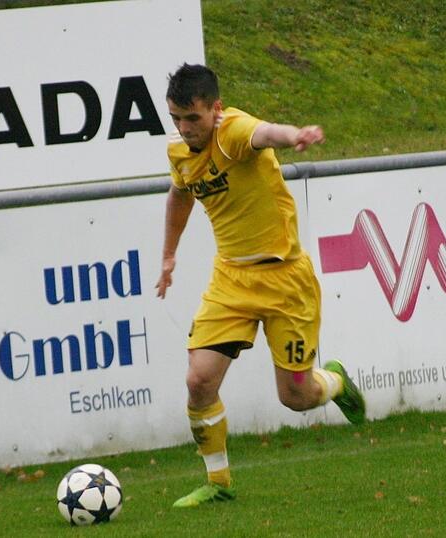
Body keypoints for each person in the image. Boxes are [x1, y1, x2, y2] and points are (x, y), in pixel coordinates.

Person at [156, 63, 366, 508]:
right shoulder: (179, 150)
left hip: (285, 279)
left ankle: (336, 382)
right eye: (176, 118)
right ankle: (218, 482)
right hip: (231, 279)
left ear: (215, 109)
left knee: (297, 396)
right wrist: (169, 254)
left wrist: (295, 136)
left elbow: (266, 133)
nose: (185, 128)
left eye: (193, 118)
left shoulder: (232, 132)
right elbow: (180, 194)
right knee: (199, 380)